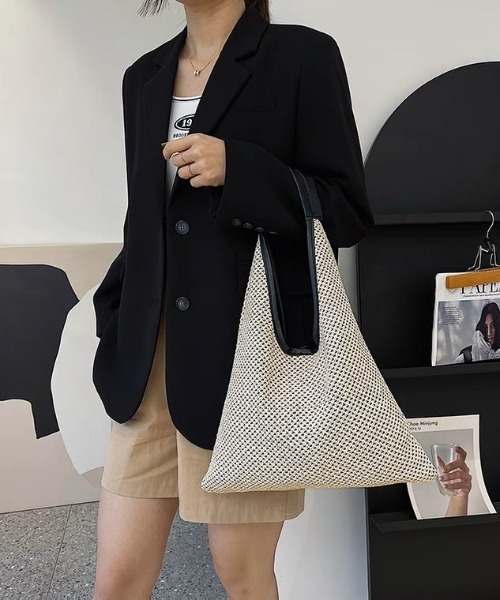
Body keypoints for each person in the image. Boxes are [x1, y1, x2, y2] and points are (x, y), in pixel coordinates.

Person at [91, 1, 373, 599]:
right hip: (146, 365)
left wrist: (240, 169)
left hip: (246, 370)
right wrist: (113, 313)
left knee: (242, 578)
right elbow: (146, 219)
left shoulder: (301, 56)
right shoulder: (143, 77)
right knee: (116, 581)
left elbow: (346, 209)